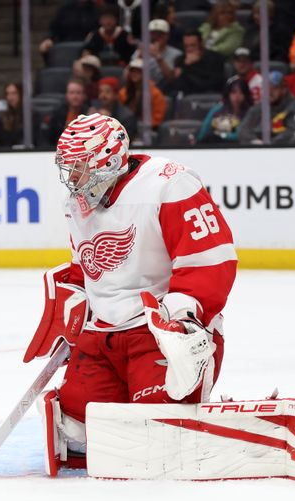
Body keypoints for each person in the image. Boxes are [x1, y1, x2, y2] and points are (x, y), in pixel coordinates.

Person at [28, 112, 236, 475]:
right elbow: (88, 268)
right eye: (68, 168)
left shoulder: (170, 183)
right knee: (80, 428)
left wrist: (185, 319)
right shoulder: (75, 204)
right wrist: (70, 310)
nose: (72, 178)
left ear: (108, 161)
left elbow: (209, 258)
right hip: (103, 334)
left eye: (79, 168)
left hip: (158, 331)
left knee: (157, 427)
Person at [238, 71, 295, 145]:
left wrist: (271, 145)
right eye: (266, 88)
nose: (269, 92)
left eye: (274, 88)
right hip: (257, 149)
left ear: (284, 89)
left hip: (283, 150)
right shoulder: (258, 108)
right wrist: (255, 141)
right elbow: (243, 129)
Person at [167, 30, 227, 96]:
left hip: (211, 95)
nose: (189, 49)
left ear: (201, 44)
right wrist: (186, 65)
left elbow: (217, 82)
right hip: (187, 96)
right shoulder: (181, 60)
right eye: (186, 46)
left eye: (193, 45)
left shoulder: (216, 58)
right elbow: (176, 84)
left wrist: (195, 64)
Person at [197, 77, 253, 143]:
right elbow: (203, 132)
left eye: (241, 93)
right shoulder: (217, 110)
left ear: (246, 95)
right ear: (228, 94)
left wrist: (222, 135)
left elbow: (243, 135)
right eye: (234, 92)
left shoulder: (251, 112)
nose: (237, 96)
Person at [118, 58, 167, 132]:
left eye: (138, 71)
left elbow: (157, 117)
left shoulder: (155, 94)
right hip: (125, 127)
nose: (134, 74)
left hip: (148, 130)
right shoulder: (123, 93)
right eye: (132, 71)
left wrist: (144, 126)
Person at [128, 19, 182, 87]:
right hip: (143, 89)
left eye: (160, 35)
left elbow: (171, 79)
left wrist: (158, 57)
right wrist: (139, 57)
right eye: (153, 34)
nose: (156, 37)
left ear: (167, 36)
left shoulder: (177, 54)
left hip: (166, 91)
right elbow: (127, 76)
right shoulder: (141, 51)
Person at [48, 77, 90, 145]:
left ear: (84, 95)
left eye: (78, 93)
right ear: (66, 95)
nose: (75, 96)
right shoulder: (57, 114)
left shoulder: (89, 114)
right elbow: (50, 138)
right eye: (71, 93)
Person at [0, 82, 25, 147]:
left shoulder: (28, 114)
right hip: (4, 152)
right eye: (7, 94)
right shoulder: (1, 115)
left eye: (14, 93)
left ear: (20, 94)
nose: (10, 97)